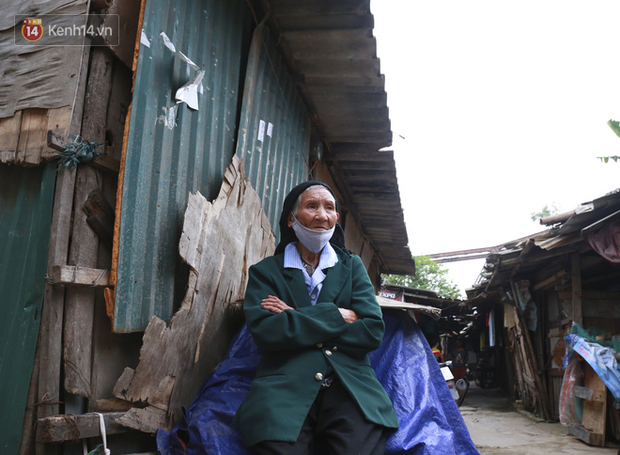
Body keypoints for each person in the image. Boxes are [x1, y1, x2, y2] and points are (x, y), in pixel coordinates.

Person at [235, 181, 398, 454]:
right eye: (312, 206)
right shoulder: (266, 272)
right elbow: (268, 333)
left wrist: (295, 316)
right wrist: (337, 315)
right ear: (291, 218)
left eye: (329, 208)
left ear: (336, 218)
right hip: (284, 388)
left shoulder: (351, 266)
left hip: (349, 387)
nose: (322, 215)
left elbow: (371, 331)